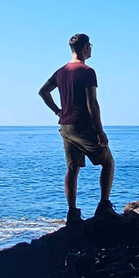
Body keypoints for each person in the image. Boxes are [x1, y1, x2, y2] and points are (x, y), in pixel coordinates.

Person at [38, 33, 116, 224]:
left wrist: (58, 111)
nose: (91, 49)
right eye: (90, 45)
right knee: (107, 162)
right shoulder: (87, 71)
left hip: (66, 126)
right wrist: (100, 131)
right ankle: (104, 206)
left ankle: (72, 213)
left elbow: (43, 92)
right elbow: (92, 104)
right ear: (85, 48)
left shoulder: (61, 71)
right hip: (83, 126)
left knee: (72, 169)